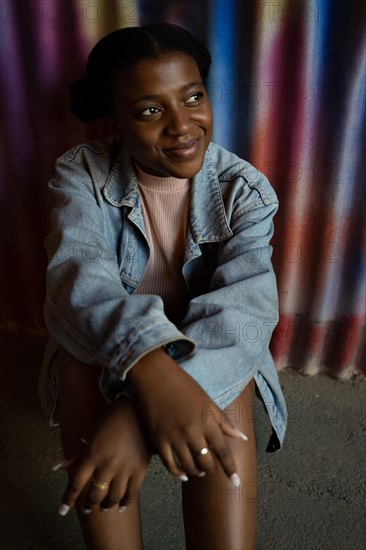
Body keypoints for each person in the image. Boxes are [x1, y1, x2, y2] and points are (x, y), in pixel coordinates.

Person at [39, 22, 287, 550]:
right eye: (151, 110)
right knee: (78, 359)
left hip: (207, 343)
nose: (182, 125)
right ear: (114, 118)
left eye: (193, 97)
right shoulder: (79, 173)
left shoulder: (244, 190)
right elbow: (77, 281)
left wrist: (134, 413)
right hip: (110, 337)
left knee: (228, 379)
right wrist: (148, 368)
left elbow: (245, 313)